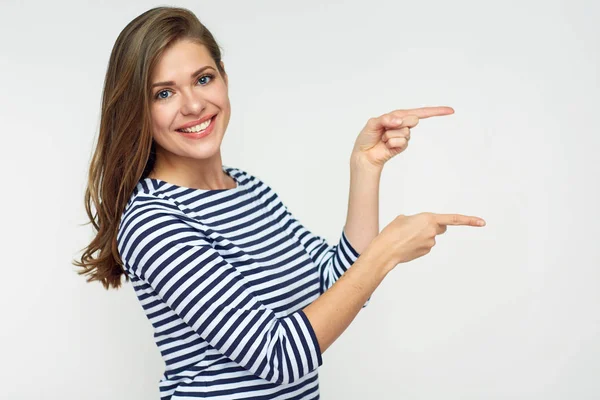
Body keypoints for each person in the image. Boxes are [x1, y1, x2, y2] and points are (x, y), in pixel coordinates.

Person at [73, 6, 486, 400]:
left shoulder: (248, 189)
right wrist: (385, 252)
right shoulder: (153, 222)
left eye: (203, 79)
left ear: (225, 79)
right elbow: (280, 356)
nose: (194, 105)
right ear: (137, 110)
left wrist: (365, 168)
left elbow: (337, 284)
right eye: (164, 93)